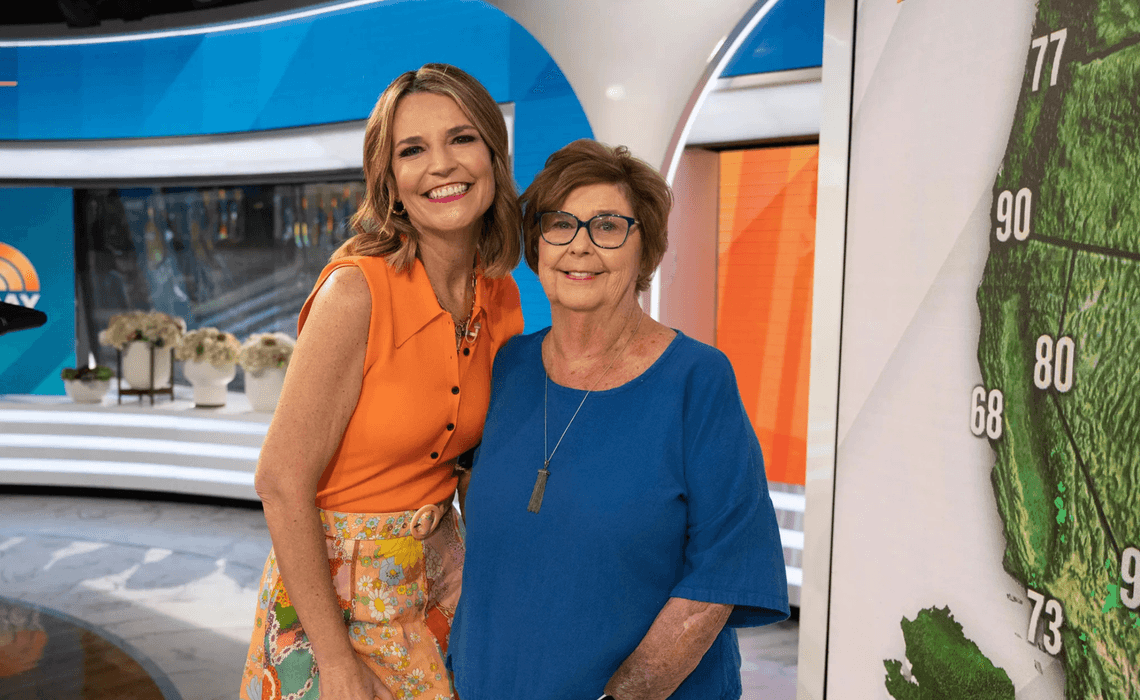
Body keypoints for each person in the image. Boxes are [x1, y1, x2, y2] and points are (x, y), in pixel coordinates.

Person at [447, 139, 789, 700]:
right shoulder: (506, 366)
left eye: (607, 226)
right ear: (537, 245)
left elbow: (720, 575)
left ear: (644, 249)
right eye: (560, 224)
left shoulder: (697, 380)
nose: (579, 246)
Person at [240, 63, 524, 700]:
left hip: (440, 582)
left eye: (462, 138)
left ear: (493, 156)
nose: (442, 165)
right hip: (332, 600)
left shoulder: (500, 295)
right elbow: (280, 481)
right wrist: (336, 665)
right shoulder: (355, 292)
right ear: (389, 180)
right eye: (412, 150)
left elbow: (474, 468)